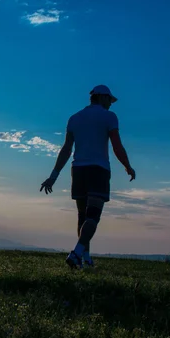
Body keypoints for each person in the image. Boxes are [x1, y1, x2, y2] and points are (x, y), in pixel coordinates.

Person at [40, 85, 135, 269]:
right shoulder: (109, 117)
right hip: (98, 169)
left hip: (78, 170)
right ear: (102, 97)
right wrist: (128, 166)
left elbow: (67, 149)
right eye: (110, 100)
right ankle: (76, 253)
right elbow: (117, 146)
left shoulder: (74, 118)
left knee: (82, 216)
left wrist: (53, 175)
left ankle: (86, 258)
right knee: (93, 216)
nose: (111, 104)